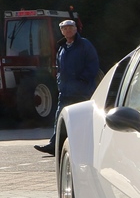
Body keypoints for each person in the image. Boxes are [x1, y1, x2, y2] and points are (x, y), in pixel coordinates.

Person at [34, 19, 100, 155]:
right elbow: (59, 69)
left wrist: (82, 80)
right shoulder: (62, 48)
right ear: (61, 31)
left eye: (70, 28)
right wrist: (59, 82)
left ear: (76, 29)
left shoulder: (85, 45)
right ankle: (55, 146)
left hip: (82, 92)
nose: (68, 30)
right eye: (65, 29)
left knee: (83, 119)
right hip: (65, 92)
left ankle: (86, 146)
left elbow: (93, 65)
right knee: (60, 118)